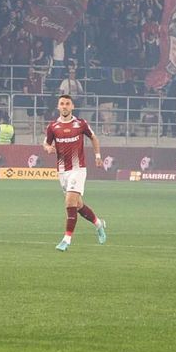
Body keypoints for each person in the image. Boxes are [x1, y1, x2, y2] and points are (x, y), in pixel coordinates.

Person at [42, 94, 108, 251]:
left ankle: (66, 240)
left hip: (78, 169)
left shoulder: (81, 124)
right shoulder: (53, 127)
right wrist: (48, 148)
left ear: (72, 106)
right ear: (58, 106)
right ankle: (99, 224)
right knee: (78, 205)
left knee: (70, 202)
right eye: (62, 103)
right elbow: (46, 142)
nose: (64, 106)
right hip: (62, 171)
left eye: (67, 103)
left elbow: (94, 138)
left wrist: (98, 156)